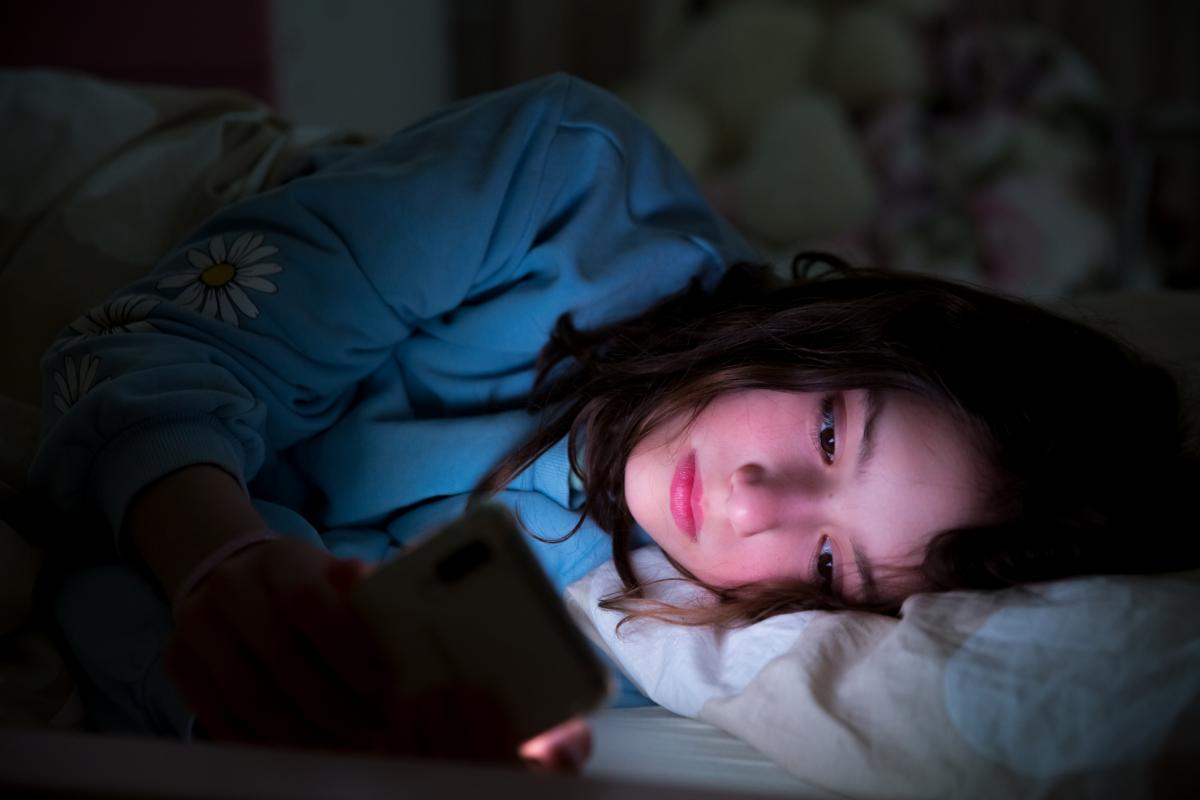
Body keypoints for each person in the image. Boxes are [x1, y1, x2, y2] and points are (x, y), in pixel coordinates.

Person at [27, 74, 1196, 764]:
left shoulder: (657, 633)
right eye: (832, 432)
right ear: (837, 332)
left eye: (832, 562)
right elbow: (137, 351)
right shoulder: (568, 180)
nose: (755, 502)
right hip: (145, 213)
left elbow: (143, 644)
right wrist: (222, 552)